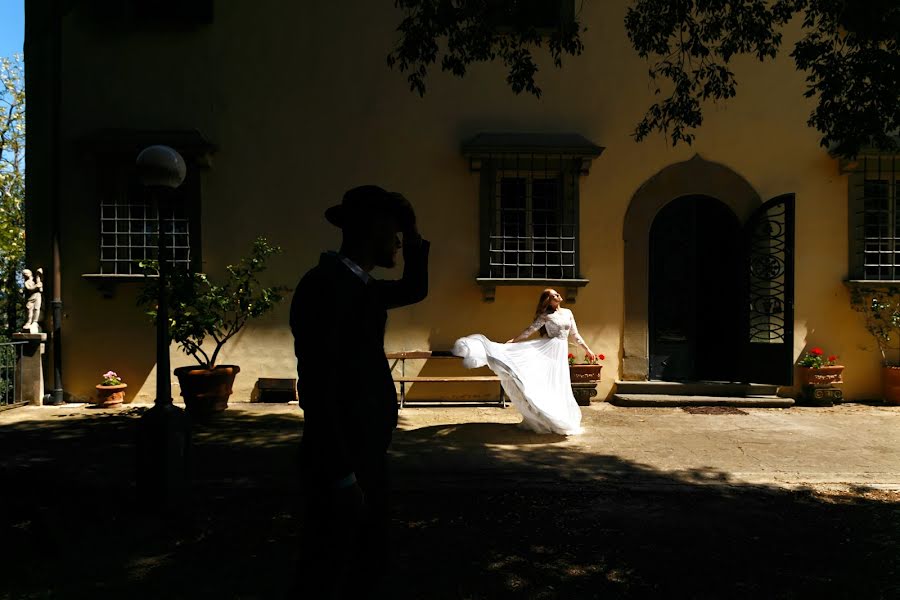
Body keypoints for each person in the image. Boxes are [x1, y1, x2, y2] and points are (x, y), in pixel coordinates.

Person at [289, 185, 429, 598]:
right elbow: (318, 386)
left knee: (365, 565)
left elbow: (414, 289)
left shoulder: (360, 286)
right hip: (341, 460)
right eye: (395, 232)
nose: (400, 242)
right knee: (331, 570)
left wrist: (414, 229)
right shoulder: (325, 286)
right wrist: (341, 475)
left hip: (364, 453)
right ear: (374, 229)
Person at [453, 289, 593, 435]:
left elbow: (575, 335)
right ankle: (545, 417)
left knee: (560, 383)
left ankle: (559, 416)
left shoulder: (568, 312)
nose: (558, 296)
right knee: (548, 383)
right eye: (554, 295)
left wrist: (587, 350)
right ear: (548, 301)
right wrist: (514, 340)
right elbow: (530, 330)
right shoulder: (545, 316)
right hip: (549, 350)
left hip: (560, 352)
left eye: (557, 294)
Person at [22, 268, 43, 333]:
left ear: (30, 273)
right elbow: (29, 289)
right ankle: (29, 321)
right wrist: (37, 286)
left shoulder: (35, 280)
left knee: (37, 309)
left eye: (26, 273)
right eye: (24, 274)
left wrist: (38, 280)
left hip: (37, 296)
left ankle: (35, 322)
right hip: (30, 298)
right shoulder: (26, 282)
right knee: (29, 310)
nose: (25, 274)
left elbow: (40, 288)